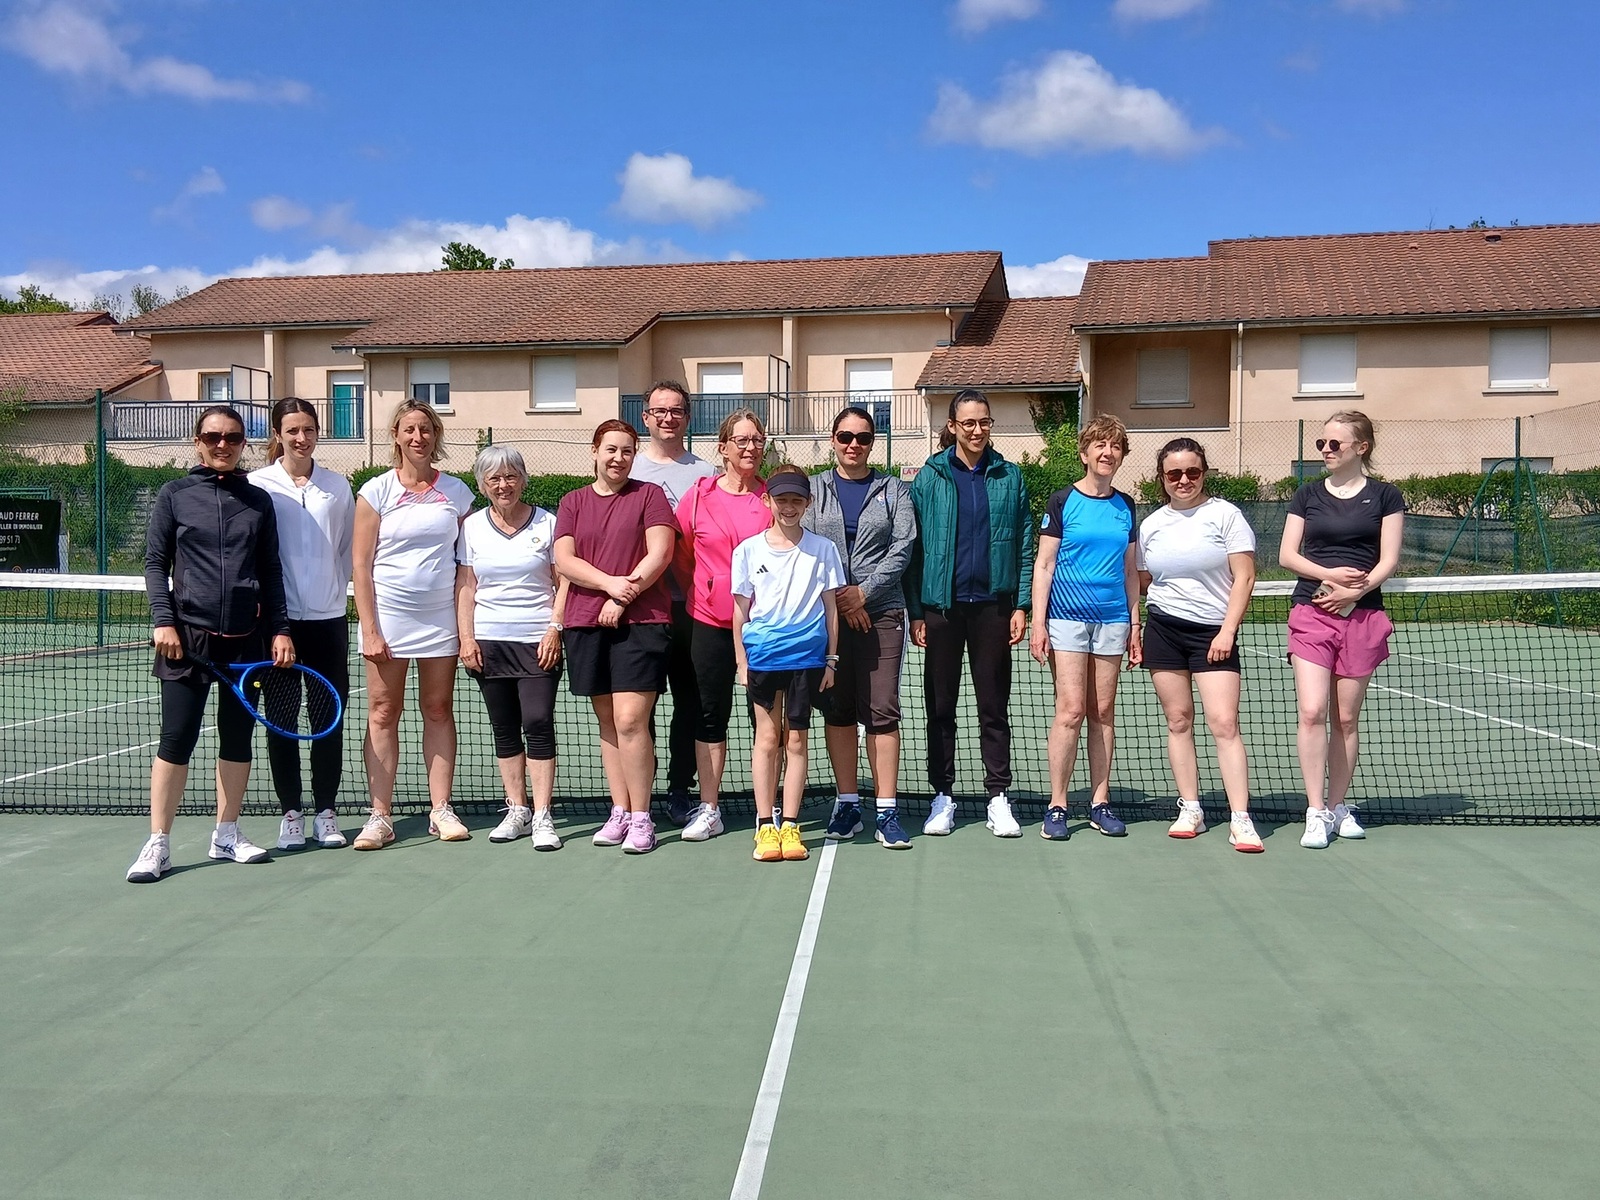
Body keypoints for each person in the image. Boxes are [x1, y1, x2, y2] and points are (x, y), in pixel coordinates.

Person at [127, 406, 294, 882]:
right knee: (176, 739)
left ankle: (226, 833)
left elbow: (271, 571)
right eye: (213, 437)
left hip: (247, 643)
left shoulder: (258, 501)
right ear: (197, 441)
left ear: (245, 444)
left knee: (237, 737)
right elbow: (155, 564)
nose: (223, 445)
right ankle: (158, 843)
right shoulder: (174, 495)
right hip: (185, 641)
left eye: (233, 438)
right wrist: (165, 622)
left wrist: (279, 630)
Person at [907, 389, 1033, 838]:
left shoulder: (1010, 476)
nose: (977, 430)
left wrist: (1020, 604)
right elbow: (914, 548)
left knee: (993, 707)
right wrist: (916, 611)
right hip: (941, 609)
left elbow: (1023, 543)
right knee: (940, 707)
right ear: (953, 426)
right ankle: (943, 796)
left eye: (984, 422)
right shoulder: (930, 476)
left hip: (993, 610)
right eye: (968, 423)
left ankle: (998, 796)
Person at [350, 399, 475, 850]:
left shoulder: (458, 493)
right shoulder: (375, 491)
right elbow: (360, 566)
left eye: (426, 429)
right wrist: (370, 627)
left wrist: (465, 629)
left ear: (436, 436)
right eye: (409, 429)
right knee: (384, 712)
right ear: (396, 436)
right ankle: (379, 816)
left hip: (440, 619)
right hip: (389, 618)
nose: (418, 436)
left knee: (438, 709)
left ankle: (440, 809)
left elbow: (465, 565)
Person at [1279, 411, 1404, 849]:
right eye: (1322, 444)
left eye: (1335, 444)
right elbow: (1287, 556)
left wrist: (1355, 593)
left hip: (1363, 616)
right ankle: (1315, 811)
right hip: (1311, 613)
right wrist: (1327, 576)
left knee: (1346, 719)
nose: (1326, 451)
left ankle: (1337, 806)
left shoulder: (1386, 496)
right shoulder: (1307, 495)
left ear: (1361, 448)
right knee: (1312, 711)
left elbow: (1388, 559)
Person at [554, 420, 676, 855]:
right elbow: (564, 560)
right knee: (608, 724)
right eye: (610, 449)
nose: (618, 458)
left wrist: (623, 598)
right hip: (585, 622)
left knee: (630, 721)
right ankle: (619, 811)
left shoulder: (650, 496)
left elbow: (659, 553)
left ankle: (642, 817)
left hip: (642, 623)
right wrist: (609, 585)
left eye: (627, 450)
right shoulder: (572, 502)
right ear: (595, 451)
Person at [1136, 438, 1263, 852]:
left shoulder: (1226, 515)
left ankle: (1240, 818)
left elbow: (1244, 577)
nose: (1184, 480)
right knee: (1178, 722)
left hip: (1213, 633)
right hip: (1163, 630)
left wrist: (1227, 631)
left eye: (1192, 471)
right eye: (1174, 474)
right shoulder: (1152, 524)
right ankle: (1190, 807)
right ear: (1163, 478)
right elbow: (1143, 582)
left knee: (1224, 724)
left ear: (1203, 472)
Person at [804, 406, 917, 850]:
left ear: (873, 442)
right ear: (833, 439)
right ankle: (847, 802)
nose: (854, 444)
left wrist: (863, 594)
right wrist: (841, 599)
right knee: (837, 707)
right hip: (827, 615)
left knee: (882, 709)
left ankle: (886, 811)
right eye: (846, 436)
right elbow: (806, 546)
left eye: (864, 437)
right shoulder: (813, 489)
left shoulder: (893, 491)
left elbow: (903, 546)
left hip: (883, 613)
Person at [1029, 415, 1142, 840]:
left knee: (1103, 712)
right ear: (1085, 452)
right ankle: (1057, 806)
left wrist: (1135, 623)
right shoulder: (1062, 501)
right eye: (1099, 445)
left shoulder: (1126, 506)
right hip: (1066, 619)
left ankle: (1099, 801)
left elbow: (1131, 571)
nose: (1107, 452)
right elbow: (1044, 565)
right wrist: (1039, 622)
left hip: (1113, 619)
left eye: (1114, 446)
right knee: (1071, 710)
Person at [250, 397, 355, 851]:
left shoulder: (339, 486)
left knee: (328, 719)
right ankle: (290, 812)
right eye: (292, 429)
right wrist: (276, 624)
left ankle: (326, 813)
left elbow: (347, 550)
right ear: (278, 433)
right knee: (283, 721)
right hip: (280, 626)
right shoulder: (258, 485)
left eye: (309, 429)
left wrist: (338, 594)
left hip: (329, 621)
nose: (301, 437)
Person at [457, 445, 569, 852]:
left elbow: (564, 582)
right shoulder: (470, 528)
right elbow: (467, 587)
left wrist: (555, 628)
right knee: (504, 728)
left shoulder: (549, 523)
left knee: (538, 721)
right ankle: (517, 810)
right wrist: (466, 638)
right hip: (488, 642)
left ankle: (542, 815)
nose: (503, 485)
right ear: (482, 484)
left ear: (523, 479)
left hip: (538, 641)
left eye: (510, 476)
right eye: (494, 478)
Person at [732, 467, 844, 862]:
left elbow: (831, 610)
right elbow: (739, 612)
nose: (790, 507)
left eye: (797, 500)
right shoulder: (747, 551)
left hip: (807, 661)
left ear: (808, 503)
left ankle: (791, 826)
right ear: (767, 501)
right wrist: (741, 662)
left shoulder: (824, 550)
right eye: (782, 499)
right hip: (763, 658)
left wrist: (831, 660)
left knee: (796, 739)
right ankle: (765, 826)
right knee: (767, 738)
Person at [673, 408, 771, 842]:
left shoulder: (772, 499)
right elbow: (682, 555)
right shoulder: (698, 497)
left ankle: (767, 810)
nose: (750, 448)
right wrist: (710, 590)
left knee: (765, 719)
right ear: (723, 447)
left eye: (757, 440)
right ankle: (709, 808)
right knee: (709, 714)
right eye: (742, 441)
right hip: (708, 622)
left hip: (764, 627)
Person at [628, 380, 717, 826]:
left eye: (676, 410)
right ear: (646, 417)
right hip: (640, 611)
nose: (668, 417)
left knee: (691, 703)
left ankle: (680, 790)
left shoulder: (706, 475)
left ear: (687, 416)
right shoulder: (627, 471)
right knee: (636, 709)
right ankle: (634, 796)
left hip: (692, 611)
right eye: (659, 410)